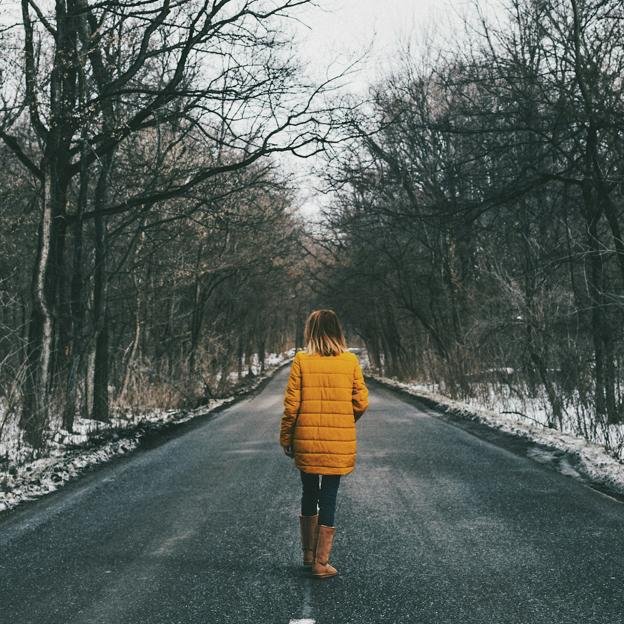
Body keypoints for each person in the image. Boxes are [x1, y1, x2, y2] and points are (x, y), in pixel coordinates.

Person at [280, 309, 369, 579]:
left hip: (306, 439)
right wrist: (345, 418)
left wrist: (286, 436)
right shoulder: (350, 361)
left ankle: (308, 555)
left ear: (311, 331)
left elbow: (291, 405)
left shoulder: (301, 361)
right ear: (337, 330)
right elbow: (362, 401)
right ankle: (321, 563)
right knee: (329, 495)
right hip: (337, 440)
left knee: (309, 492)